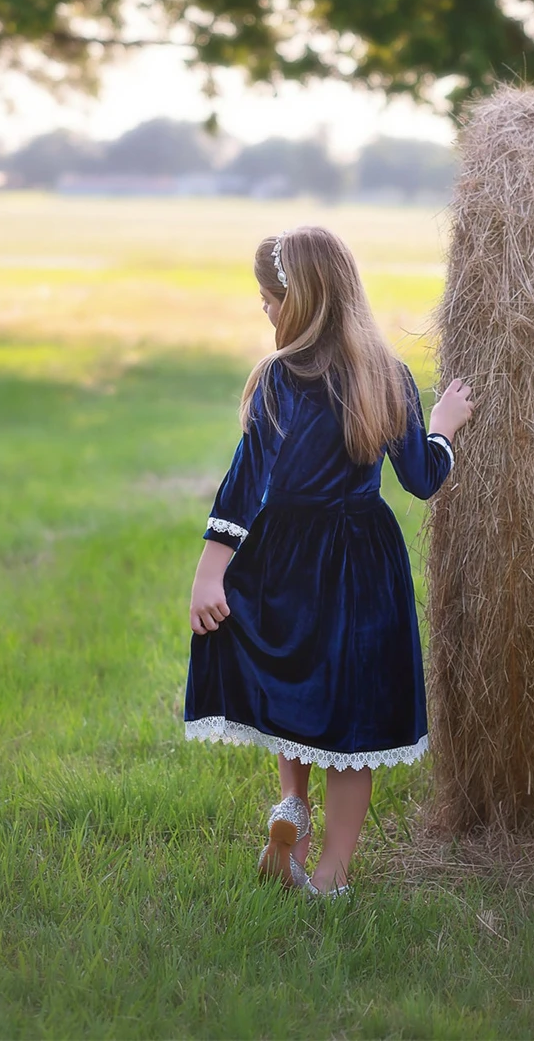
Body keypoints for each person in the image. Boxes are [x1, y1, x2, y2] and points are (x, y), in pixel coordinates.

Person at [184, 225, 473, 897]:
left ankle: (292, 806)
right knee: (354, 717)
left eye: (268, 299)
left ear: (299, 301)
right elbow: (424, 478)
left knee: (296, 685)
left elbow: (241, 484)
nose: (265, 311)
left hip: (285, 555)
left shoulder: (277, 379)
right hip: (362, 563)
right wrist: (446, 426)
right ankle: (332, 873)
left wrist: (210, 573)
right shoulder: (387, 375)